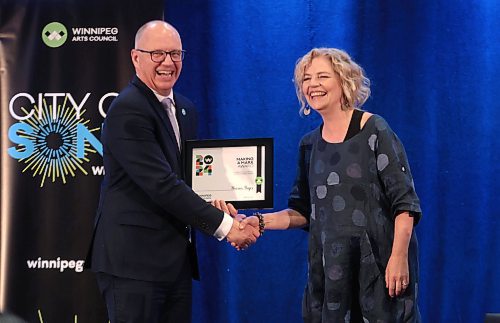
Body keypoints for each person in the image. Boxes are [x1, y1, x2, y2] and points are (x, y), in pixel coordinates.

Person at [85, 20, 259, 323]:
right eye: (157, 54)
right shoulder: (128, 108)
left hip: (173, 261)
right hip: (133, 264)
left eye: (176, 54)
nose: (168, 62)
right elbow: (161, 184)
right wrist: (227, 226)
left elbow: (188, 180)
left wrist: (216, 200)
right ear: (135, 57)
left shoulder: (186, 109)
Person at [235, 48, 422, 322]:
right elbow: (302, 211)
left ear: (344, 80)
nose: (313, 85)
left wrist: (398, 258)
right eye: (307, 79)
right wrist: (260, 222)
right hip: (331, 275)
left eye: (322, 76)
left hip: (379, 269)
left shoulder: (374, 129)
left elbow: (405, 204)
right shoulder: (309, 144)